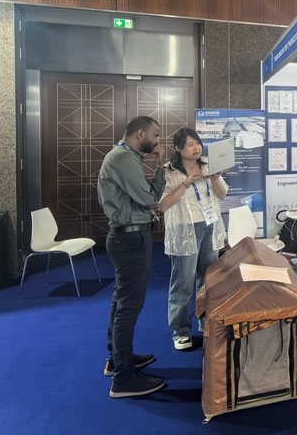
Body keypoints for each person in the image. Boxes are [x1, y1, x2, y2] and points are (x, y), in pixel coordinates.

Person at [97, 116, 167, 398]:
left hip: (127, 237)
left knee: (121, 300)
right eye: (156, 135)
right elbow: (150, 199)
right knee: (128, 305)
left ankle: (117, 360)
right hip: (130, 239)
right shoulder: (124, 158)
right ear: (140, 134)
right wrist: (160, 168)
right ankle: (123, 379)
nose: (158, 141)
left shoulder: (125, 156)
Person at [157, 127, 228, 350]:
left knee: (208, 279)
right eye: (190, 145)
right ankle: (180, 330)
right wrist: (185, 183)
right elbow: (162, 205)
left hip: (210, 225)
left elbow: (222, 194)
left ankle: (206, 321)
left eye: (197, 143)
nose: (196, 148)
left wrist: (215, 178)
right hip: (184, 228)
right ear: (178, 148)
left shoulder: (208, 165)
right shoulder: (169, 171)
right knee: (183, 282)